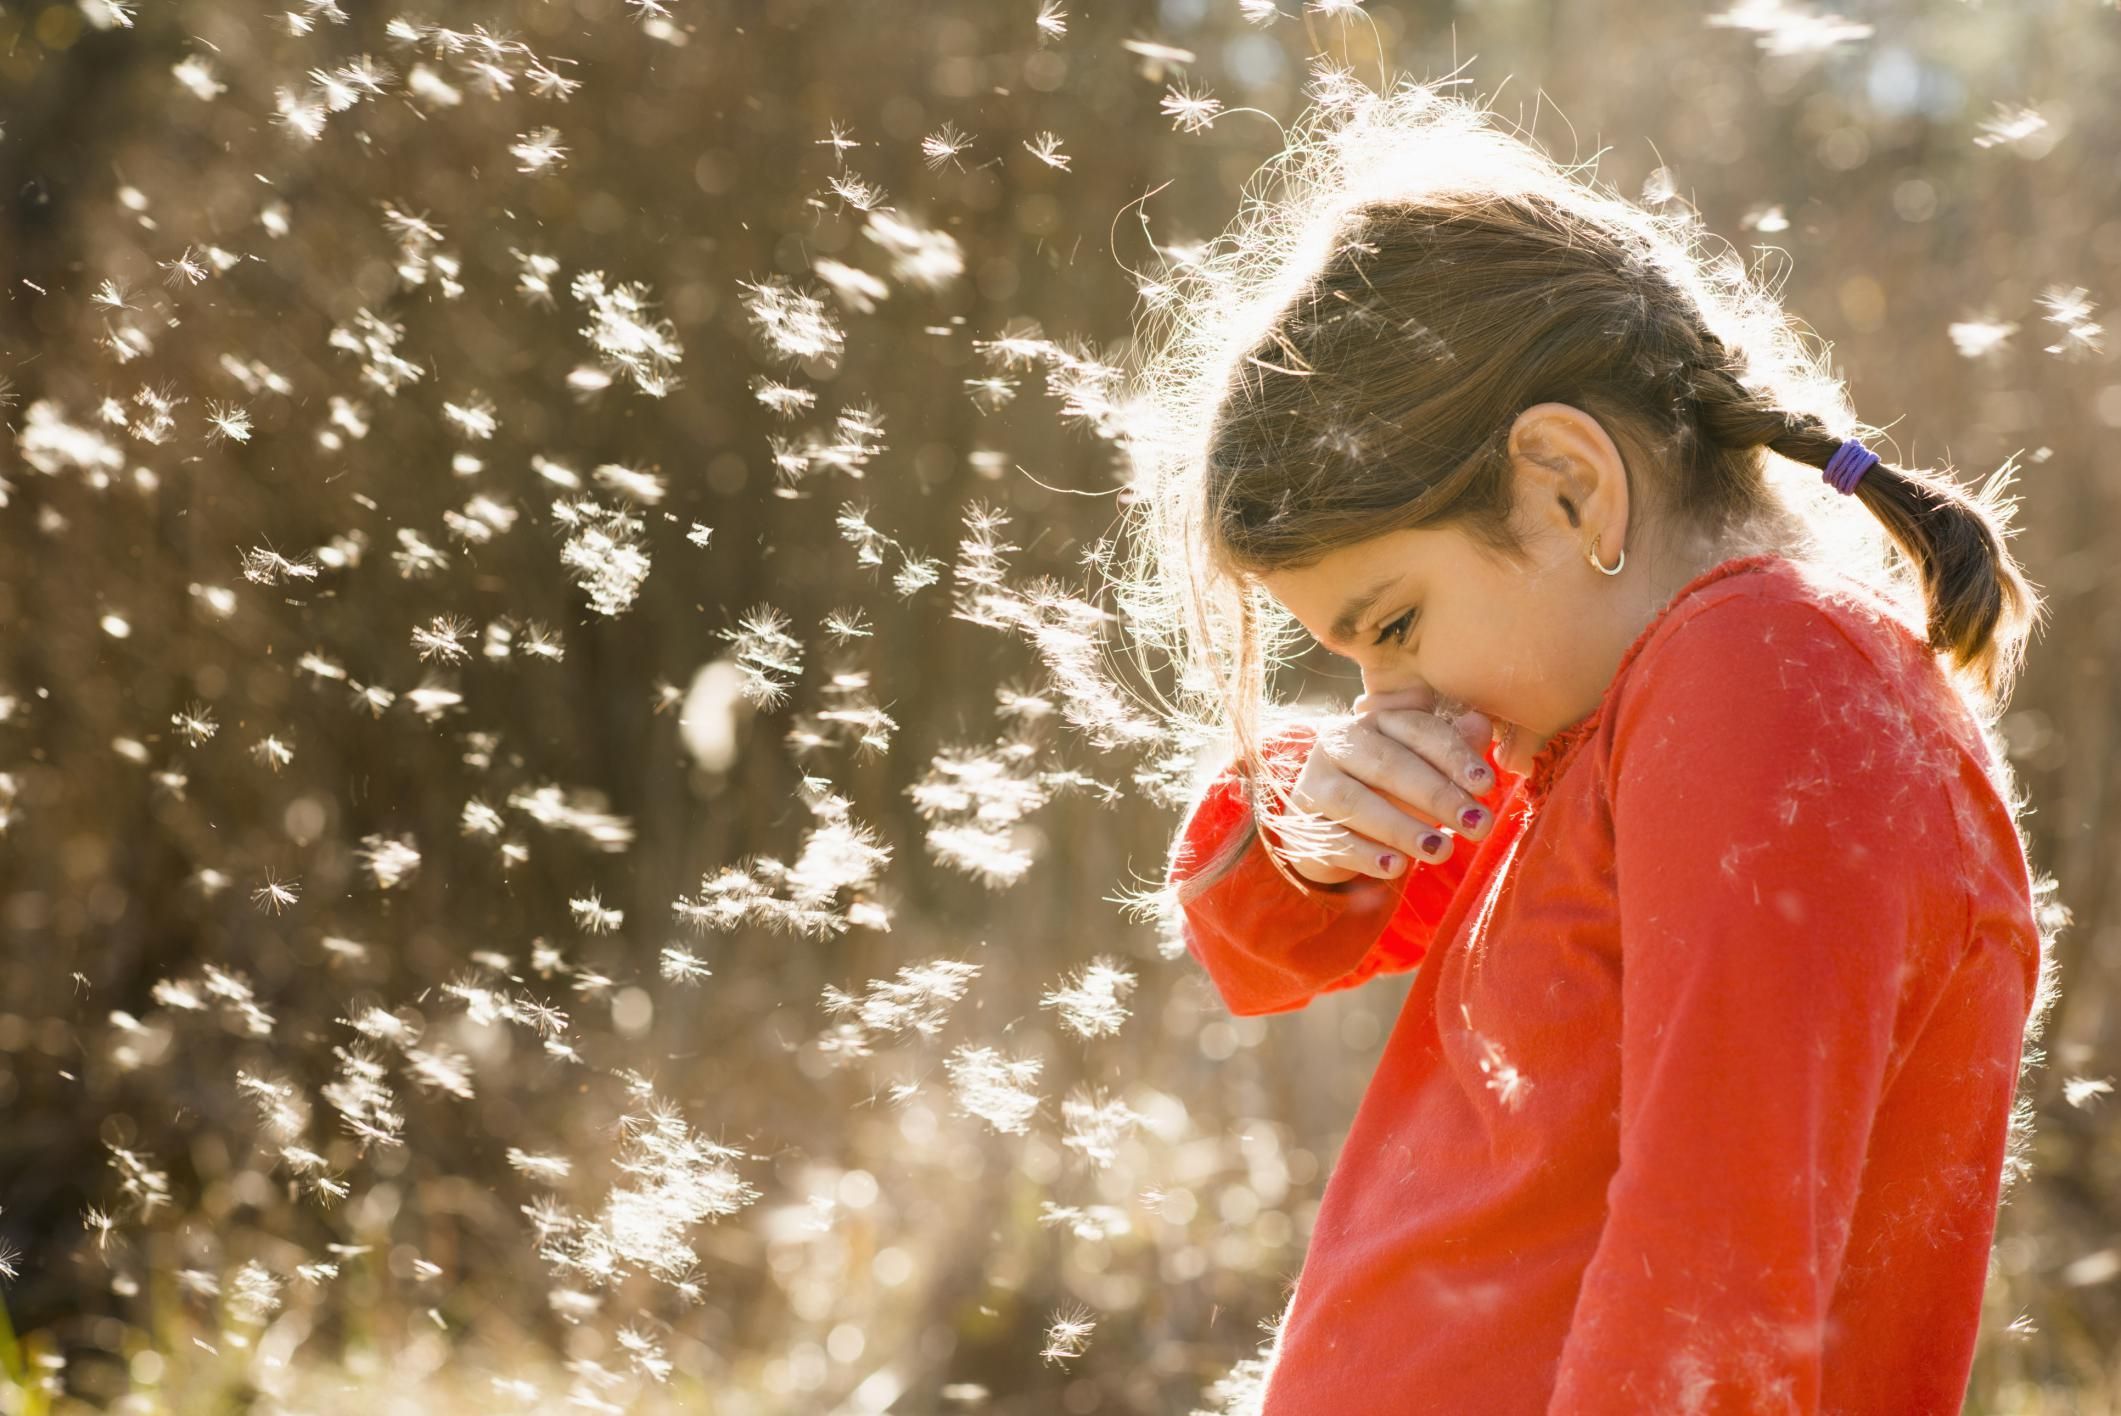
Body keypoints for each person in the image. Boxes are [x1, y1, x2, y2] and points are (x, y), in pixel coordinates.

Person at [1118, 83, 2063, 1413]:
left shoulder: (1759, 682)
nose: (1389, 701)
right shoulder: (1618, 711)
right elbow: (1263, 935)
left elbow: (1709, 1304)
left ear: (1568, 486)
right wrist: (1311, 823)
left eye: (1394, 625)